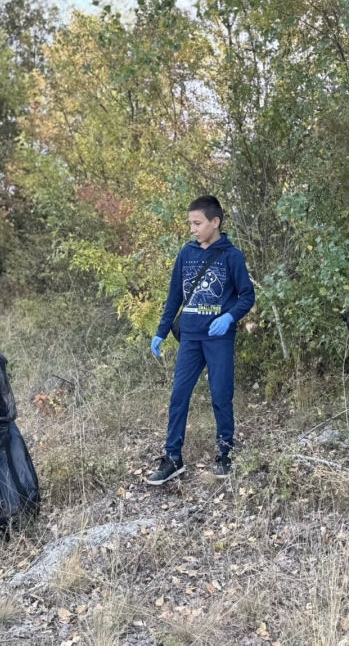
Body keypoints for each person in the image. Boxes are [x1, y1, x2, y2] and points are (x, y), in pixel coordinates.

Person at [148, 195, 255, 484]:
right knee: (178, 396)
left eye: (197, 223)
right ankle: (173, 458)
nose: (192, 229)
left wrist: (229, 317)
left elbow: (247, 296)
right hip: (191, 338)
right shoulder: (186, 253)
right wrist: (161, 331)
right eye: (190, 224)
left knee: (221, 395)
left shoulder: (232, 256)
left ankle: (226, 453)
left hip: (218, 339)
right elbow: (174, 296)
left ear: (215, 222)